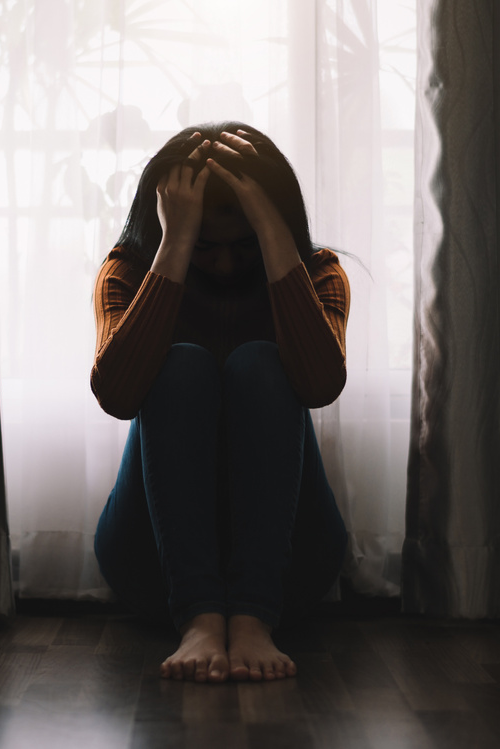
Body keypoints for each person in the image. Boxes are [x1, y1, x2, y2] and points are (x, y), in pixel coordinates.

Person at [90, 122, 350, 684]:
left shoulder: (319, 272)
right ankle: (199, 617)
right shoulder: (129, 272)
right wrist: (175, 247)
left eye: (245, 245)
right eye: (209, 247)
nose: (228, 266)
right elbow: (117, 395)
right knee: (181, 364)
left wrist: (274, 232)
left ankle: (255, 615)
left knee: (260, 361)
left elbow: (321, 385)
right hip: (151, 565)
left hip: (291, 570)